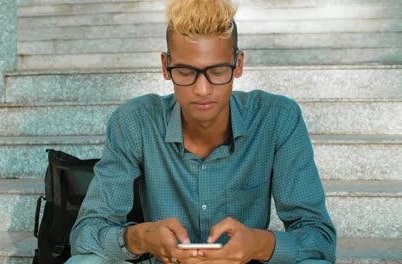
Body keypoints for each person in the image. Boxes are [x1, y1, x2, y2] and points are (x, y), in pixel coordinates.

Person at [67, 0, 336, 263]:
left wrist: (257, 244)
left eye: (218, 71)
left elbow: (319, 238)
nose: (202, 90)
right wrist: (140, 238)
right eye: (185, 72)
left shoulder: (277, 118)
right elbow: (85, 234)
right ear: (165, 66)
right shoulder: (135, 121)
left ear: (238, 64)